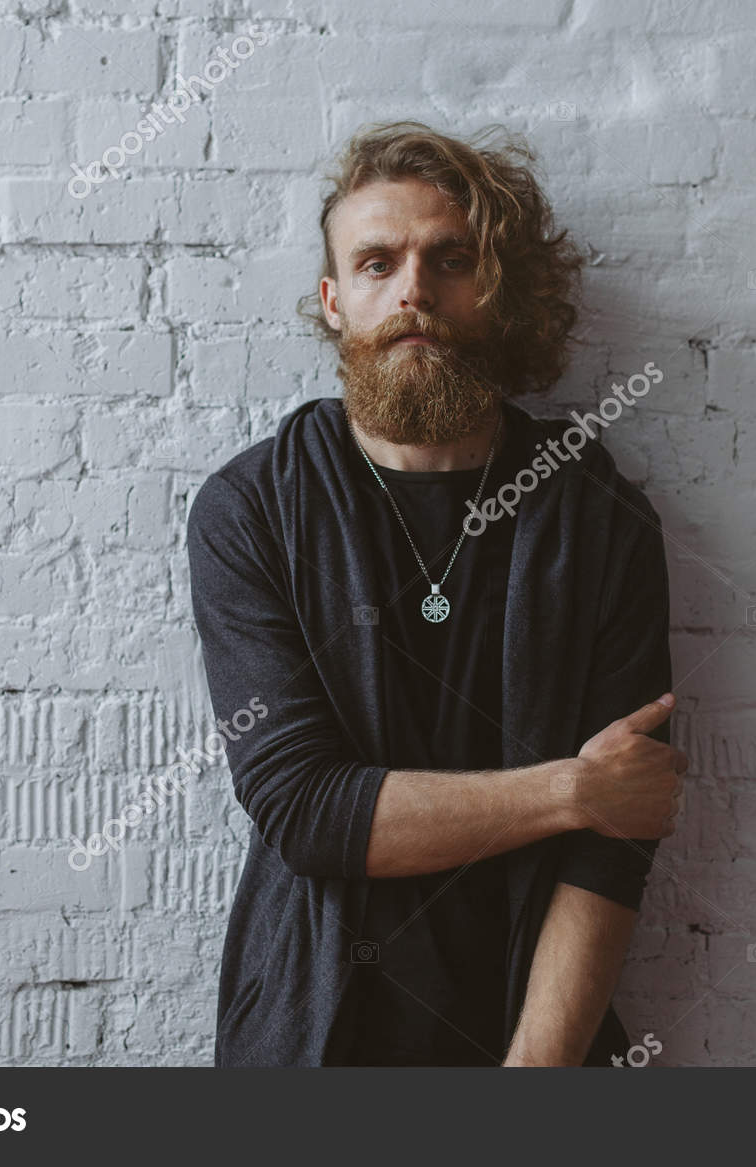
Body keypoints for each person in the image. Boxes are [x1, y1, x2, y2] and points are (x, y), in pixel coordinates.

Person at [187, 121, 687, 1066]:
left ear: (495, 291)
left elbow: (616, 844)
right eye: (377, 263)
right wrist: (574, 789)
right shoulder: (253, 509)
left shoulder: (598, 516)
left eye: (449, 258)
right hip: (312, 1033)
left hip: (537, 1031)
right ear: (334, 302)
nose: (413, 289)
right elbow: (309, 811)